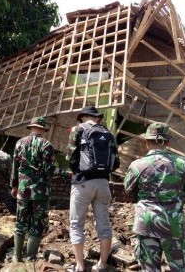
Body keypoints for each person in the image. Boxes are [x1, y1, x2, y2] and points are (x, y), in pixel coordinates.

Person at [124, 122, 185, 272]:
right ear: (168, 142)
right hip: (173, 224)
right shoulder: (183, 164)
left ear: (147, 142)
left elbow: (128, 190)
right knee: (181, 268)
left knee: (149, 268)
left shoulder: (137, 165)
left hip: (146, 223)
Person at [66, 106, 117, 272]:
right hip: (103, 183)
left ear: (82, 117)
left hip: (82, 183)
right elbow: (115, 162)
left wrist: (78, 172)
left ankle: (80, 266)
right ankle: (101, 265)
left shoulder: (77, 129)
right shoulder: (107, 132)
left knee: (76, 224)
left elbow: (70, 157)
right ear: (98, 118)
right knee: (104, 224)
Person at [11, 117, 56, 262]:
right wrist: (64, 174)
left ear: (31, 128)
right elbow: (49, 170)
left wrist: (14, 186)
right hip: (40, 191)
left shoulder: (19, 143)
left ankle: (16, 257)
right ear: (42, 129)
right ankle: (30, 258)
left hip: (23, 190)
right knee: (37, 223)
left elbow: (15, 167)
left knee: (20, 222)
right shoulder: (46, 145)